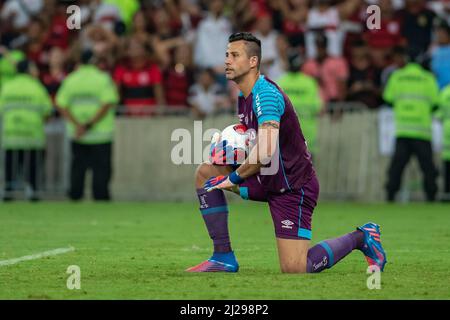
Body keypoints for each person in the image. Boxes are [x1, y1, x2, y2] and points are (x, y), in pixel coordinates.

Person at [186, 32, 387, 274]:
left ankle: (362, 237)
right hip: (268, 179)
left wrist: (233, 179)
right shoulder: (243, 95)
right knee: (206, 172)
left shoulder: (266, 95)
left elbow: (265, 151)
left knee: (296, 268)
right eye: (227, 54)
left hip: (293, 188)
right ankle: (222, 257)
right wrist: (234, 150)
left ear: (253, 62)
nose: (227, 60)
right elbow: (258, 144)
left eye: (235, 55)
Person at [55, 50, 119, 201]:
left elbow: (60, 104)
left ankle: (75, 198)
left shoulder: (71, 79)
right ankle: (101, 199)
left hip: (78, 134)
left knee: (77, 169)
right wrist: (88, 124)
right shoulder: (103, 79)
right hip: (101, 135)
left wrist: (78, 125)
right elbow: (108, 102)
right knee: (101, 172)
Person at [383, 51, 440, 202]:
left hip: (403, 130)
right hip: (422, 132)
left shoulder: (397, 76)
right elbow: (435, 103)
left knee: (397, 167)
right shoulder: (428, 78)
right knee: (427, 167)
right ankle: (431, 197)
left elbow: (388, 98)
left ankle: (390, 196)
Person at [0, 59, 52, 201]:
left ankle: (8, 192)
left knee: (10, 167)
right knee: (33, 168)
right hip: (32, 136)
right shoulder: (36, 87)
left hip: (11, 136)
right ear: (29, 70)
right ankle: (34, 192)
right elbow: (47, 111)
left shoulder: (7, 86)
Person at [277, 52, 322, 158]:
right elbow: (318, 107)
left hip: (285, 137)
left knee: (286, 173)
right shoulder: (309, 82)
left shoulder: (280, 82)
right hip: (307, 136)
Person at [438, 84, 450, 201]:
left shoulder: (445, 91)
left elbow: (439, 113)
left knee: (448, 166)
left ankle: (447, 195)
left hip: (447, 130)